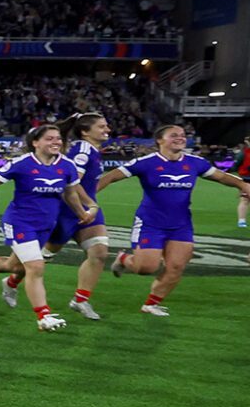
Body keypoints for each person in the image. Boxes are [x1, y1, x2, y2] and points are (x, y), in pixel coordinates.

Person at [97, 123, 250, 316]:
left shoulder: (195, 162)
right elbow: (110, 177)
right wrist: (87, 200)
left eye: (182, 135)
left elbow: (221, 177)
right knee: (146, 267)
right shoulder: (146, 163)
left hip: (181, 225)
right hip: (150, 223)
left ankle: (151, 304)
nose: (180, 138)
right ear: (160, 140)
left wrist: (243, 186)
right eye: (174, 135)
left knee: (176, 266)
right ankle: (124, 259)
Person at [0, 123, 99, 332]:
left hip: (45, 225)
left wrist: (82, 213)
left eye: (58, 139)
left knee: (16, 266)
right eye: (50, 138)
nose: (56, 142)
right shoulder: (22, 163)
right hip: (19, 221)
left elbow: (70, 194)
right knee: (35, 266)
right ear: (36, 143)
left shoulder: (67, 166)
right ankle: (43, 316)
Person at [0, 112, 114, 320]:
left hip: (84, 213)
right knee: (27, 263)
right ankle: (9, 281)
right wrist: (86, 206)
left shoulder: (92, 150)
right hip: (62, 214)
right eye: (102, 126)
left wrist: (91, 202)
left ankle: (80, 300)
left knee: (99, 252)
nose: (107, 130)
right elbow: (70, 184)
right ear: (85, 132)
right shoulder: (82, 150)